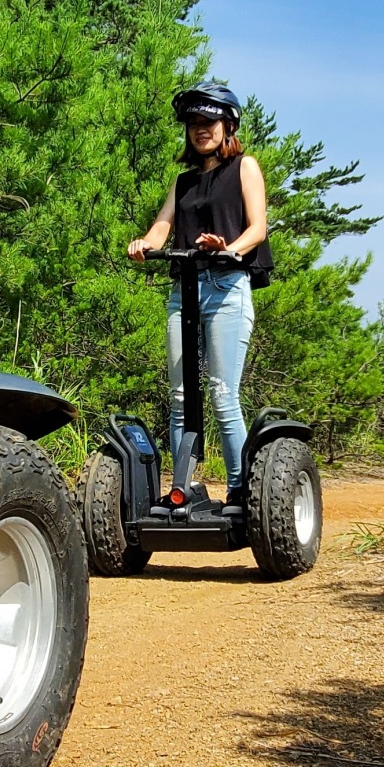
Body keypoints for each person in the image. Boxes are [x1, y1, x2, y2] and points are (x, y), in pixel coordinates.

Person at [126, 83, 271, 496]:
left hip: (227, 288)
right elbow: (161, 227)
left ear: (228, 126)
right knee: (180, 397)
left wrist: (230, 250)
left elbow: (257, 228)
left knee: (223, 395)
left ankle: (241, 491)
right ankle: (183, 488)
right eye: (193, 123)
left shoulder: (245, 167)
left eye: (209, 122)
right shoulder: (184, 181)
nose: (200, 129)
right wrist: (145, 244)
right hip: (185, 291)